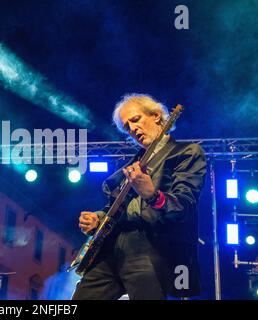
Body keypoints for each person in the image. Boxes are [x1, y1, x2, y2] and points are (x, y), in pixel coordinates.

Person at [72, 93, 207, 300]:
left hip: (151, 247)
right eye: (127, 127)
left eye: (135, 120)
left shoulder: (186, 152)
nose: (133, 129)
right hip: (113, 247)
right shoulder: (130, 165)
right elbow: (116, 209)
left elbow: (184, 207)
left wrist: (152, 195)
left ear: (156, 116)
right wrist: (98, 218)